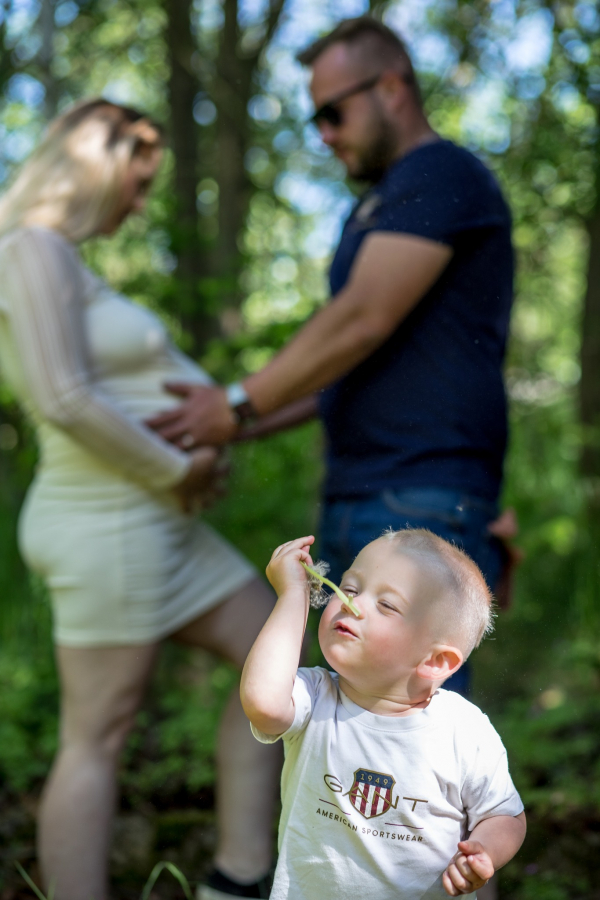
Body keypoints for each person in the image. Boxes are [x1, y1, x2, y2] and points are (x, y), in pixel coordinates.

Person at [146, 17, 515, 695]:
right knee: (349, 735)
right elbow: (346, 369)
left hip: (422, 498)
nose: (324, 133)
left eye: (332, 112)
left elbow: (359, 321)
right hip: (359, 493)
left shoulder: (441, 173)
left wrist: (233, 403)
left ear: (393, 87)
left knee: (410, 737)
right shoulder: (375, 206)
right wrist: (235, 425)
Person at [0, 100, 278, 900]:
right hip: (107, 523)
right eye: (138, 181)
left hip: (154, 526)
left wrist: (205, 447)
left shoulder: (68, 263)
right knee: (96, 735)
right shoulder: (32, 249)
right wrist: (175, 470)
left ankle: (239, 875)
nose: (139, 202)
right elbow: (64, 399)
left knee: (272, 649)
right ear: (100, 163)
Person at [240, 531, 526, 899]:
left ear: (436, 661)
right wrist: (293, 596)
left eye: (387, 605)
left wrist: (485, 851)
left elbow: (504, 815)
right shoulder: (315, 697)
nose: (351, 604)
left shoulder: (463, 730)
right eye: (351, 587)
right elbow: (263, 703)